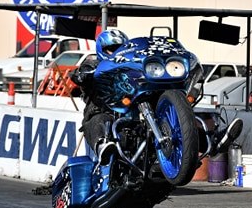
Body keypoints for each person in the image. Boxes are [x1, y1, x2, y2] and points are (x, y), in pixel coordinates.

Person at [72, 29, 242, 166]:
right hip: (105, 109)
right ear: (102, 50)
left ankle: (213, 142)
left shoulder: (127, 63)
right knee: (97, 118)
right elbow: (77, 75)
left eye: (120, 47)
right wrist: (82, 75)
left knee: (175, 117)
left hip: (134, 107)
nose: (116, 52)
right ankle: (103, 145)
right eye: (112, 49)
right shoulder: (93, 63)